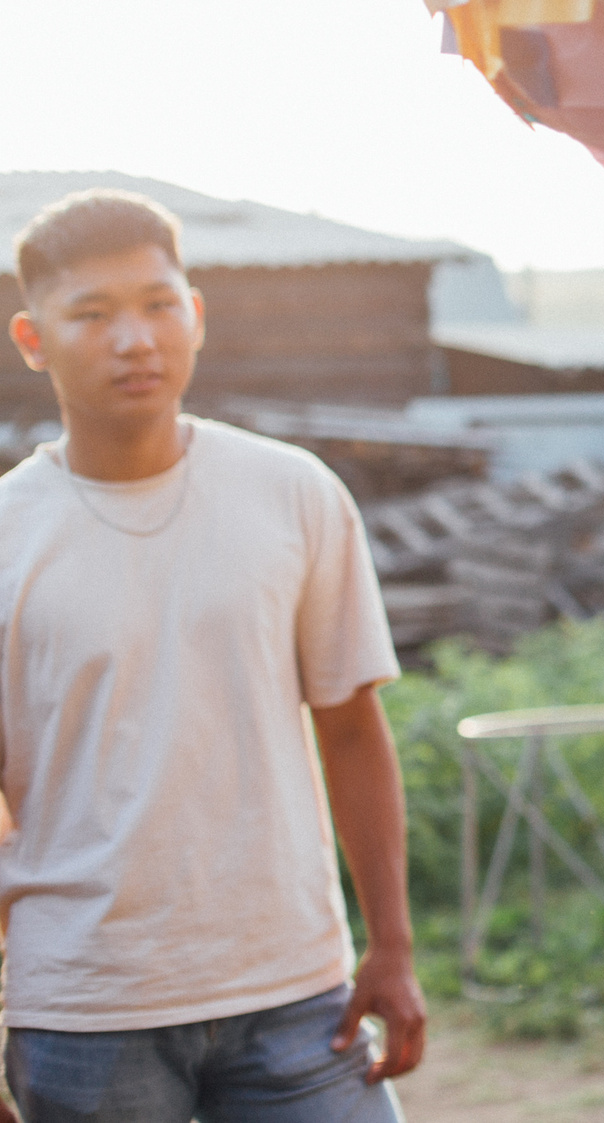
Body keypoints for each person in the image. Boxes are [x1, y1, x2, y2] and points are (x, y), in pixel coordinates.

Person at [0, 189, 426, 1123]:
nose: (135, 339)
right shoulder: (7, 537)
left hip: (297, 992)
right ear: (33, 339)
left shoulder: (294, 493)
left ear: (195, 314)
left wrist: (390, 943)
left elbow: (353, 728)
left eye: (158, 304)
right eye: (94, 314)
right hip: (84, 1010)